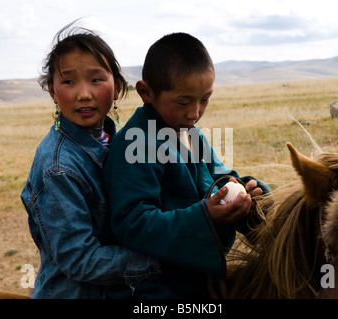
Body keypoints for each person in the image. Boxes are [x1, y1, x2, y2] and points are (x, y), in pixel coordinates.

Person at [103, 32, 270, 298]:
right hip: (154, 286)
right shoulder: (136, 143)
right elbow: (132, 223)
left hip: (199, 278)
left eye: (205, 99)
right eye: (183, 102)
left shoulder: (190, 133)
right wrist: (205, 216)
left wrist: (247, 191)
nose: (195, 113)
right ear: (146, 92)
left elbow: (219, 178)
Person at [20, 21, 160, 299]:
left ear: (117, 86)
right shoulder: (57, 168)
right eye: (68, 81)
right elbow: (79, 259)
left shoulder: (117, 142)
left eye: (96, 80)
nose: (84, 93)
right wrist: (157, 261)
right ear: (52, 90)